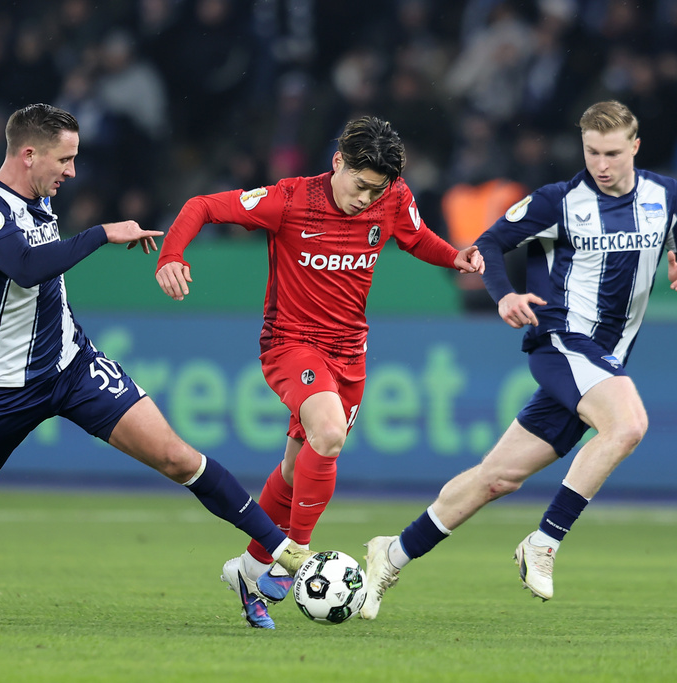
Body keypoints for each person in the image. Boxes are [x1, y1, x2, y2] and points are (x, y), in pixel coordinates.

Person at [0, 103, 311, 625]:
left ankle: (282, 551)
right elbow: (24, 264)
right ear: (29, 154)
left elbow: (5, 256)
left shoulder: (38, 198)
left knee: (176, 456)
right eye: (66, 159)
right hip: (6, 384)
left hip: (72, 364)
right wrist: (102, 233)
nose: (72, 171)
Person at [360, 100, 677, 619]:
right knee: (628, 425)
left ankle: (392, 553)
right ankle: (544, 542)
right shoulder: (558, 201)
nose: (602, 165)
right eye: (592, 152)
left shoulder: (665, 195)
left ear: (635, 146)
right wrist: (503, 296)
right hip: (562, 342)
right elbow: (490, 245)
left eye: (613, 153)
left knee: (496, 478)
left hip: (604, 360)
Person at [155, 115, 485, 628]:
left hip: (350, 353)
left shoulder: (393, 197)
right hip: (291, 344)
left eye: (377, 191)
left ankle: (248, 568)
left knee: (294, 473)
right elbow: (202, 206)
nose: (366, 200)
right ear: (338, 162)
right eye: (360, 186)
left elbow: (416, 238)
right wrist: (171, 256)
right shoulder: (288, 199)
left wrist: (456, 258)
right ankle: (298, 557)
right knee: (328, 434)